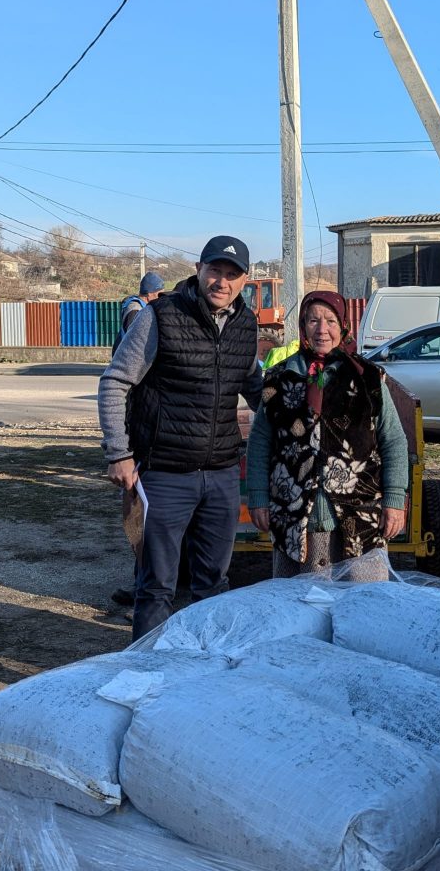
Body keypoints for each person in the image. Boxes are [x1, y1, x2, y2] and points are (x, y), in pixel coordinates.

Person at [98, 235, 262, 640]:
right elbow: (115, 382)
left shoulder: (246, 323)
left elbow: (257, 388)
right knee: (157, 587)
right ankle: (146, 676)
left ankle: (202, 675)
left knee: (214, 585)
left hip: (221, 474)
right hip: (165, 473)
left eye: (231, 275)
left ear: (244, 281)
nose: (221, 282)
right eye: (215, 271)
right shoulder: (160, 316)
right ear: (198, 270)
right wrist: (119, 453)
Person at [246, 290, 408, 579]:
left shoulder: (368, 378)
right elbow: (260, 442)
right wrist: (258, 497)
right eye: (313, 320)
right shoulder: (278, 379)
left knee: (360, 609)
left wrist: (394, 500)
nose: (322, 330)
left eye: (331, 321)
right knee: (304, 611)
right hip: (296, 521)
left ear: (343, 326)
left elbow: (393, 440)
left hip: (360, 519)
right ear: (302, 325)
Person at [109, 271, 167, 608]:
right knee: (139, 510)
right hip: (137, 425)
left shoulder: (135, 309)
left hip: (139, 419)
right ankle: (142, 585)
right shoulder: (138, 314)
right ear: (153, 295)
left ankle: (149, 582)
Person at [111, 271, 166, 357]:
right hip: (128, 357)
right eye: (159, 294)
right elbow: (135, 340)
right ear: (149, 294)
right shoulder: (135, 310)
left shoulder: (142, 307)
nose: (161, 298)